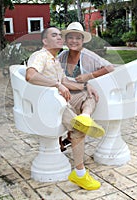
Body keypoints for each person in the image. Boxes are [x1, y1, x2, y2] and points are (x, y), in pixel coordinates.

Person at [26, 26, 104, 190]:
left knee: (90, 95)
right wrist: (56, 84)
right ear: (45, 41)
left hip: (61, 101)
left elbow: (66, 81)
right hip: (50, 105)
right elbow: (31, 75)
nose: (59, 38)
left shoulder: (53, 60)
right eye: (54, 35)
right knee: (79, 130)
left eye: (59, 35)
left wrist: (85, 85)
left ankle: (86, 116)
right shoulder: (40, 56)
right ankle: (80, 174)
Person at [58, 22, 115, 151]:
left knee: (89, 97)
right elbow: (54, 74)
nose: (74, 41)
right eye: (71, 37)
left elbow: (110, 67)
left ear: (83, 41)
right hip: (66, 93)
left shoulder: (88, 55)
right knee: (58, 103)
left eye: (78, 38)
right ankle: (63, 139)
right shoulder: (62, 56)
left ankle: (84, 120)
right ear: (66, 40)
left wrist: (89, 76)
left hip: (83, 94)